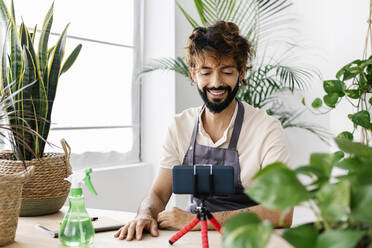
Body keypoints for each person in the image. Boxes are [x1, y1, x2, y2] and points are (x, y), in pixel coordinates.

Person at [114, 21, 292, 241]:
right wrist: (144, 214)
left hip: (249, 239)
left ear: (241, 72)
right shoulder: (180, 126)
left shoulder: (266, 129)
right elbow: (159, 194)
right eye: (206, 72)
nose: (216, 83)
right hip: (194, 238)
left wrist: (201, 220)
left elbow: (282, 212)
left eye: (227, 72)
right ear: (193, 74)